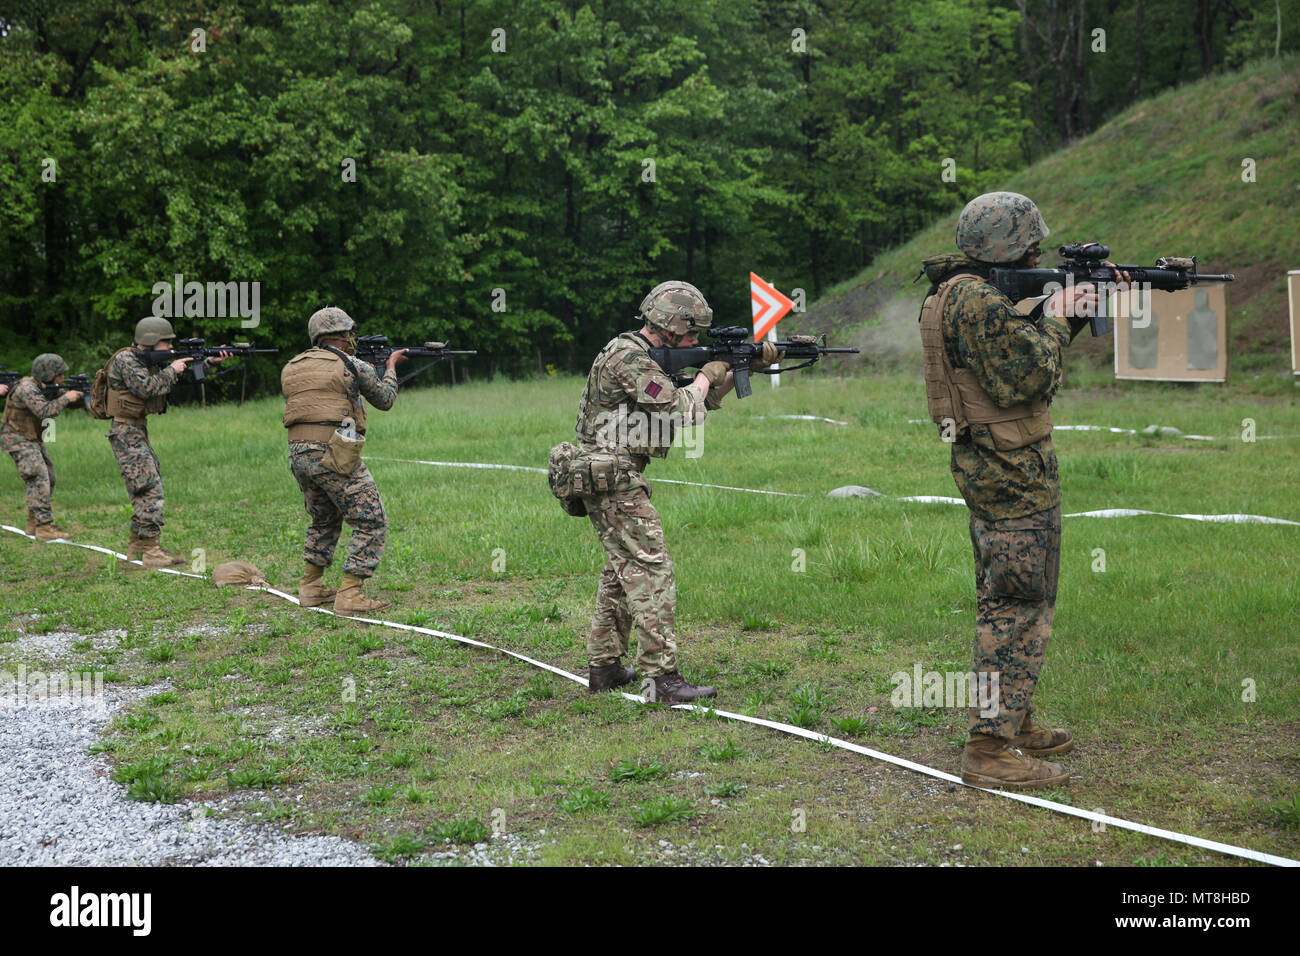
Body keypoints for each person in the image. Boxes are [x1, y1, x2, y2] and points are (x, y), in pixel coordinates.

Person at [918, 191, 1127, 789]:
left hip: (997, 466)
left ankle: (1015, 717)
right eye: (1031, 244)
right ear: (1009, 246)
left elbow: (1007, 355)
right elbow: (1026, 373)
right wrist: (1061, 314)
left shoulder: (958, 292)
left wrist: (1067, 310)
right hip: (1009, 473)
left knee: (1011, 592)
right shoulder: (977, 300)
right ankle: (990, 749)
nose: (1038, 251)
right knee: (1016, 602)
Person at [573, 280, 778, 704]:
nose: (695, 340)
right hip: (612, 477)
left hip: (617, 474)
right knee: (651, 569)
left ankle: (606, 667)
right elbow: (677, 408)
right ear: (669, 326)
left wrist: (741, 368)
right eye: (691, 333)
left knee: (622, 571)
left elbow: (694, 409)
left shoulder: (643, 356)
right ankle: (661, 677)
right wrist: (706, 374)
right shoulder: (629, 358)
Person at [281, 306, 406, 616]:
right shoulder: (353, 363)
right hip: (333, 449)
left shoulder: (293, 366)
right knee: (370, 518)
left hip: (298, 452)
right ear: (342, 336)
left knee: (323, 518)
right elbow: (385, 400)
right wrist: (390, 367)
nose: (354, 339)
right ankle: (350, 592)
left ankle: (311, 586)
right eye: (350, 334)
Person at [106, 317, 230, 568]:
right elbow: (147, 388)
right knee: (149, 487)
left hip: (136, 430)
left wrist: (206, 363)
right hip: (126, 432)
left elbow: (179, 380)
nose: (170, 348)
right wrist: (172, 369)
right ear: (150, 342)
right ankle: (151, 552)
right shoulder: (126, 360)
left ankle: (138, 548)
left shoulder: (146, 360)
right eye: (166, 343)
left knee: (146, 484)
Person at [1, 353, 84, 540]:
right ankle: (44, 527)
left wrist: (79, 397)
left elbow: (65, 401)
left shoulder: (46, 387)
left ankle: (34, 521)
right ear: (48, 374)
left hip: (31, 438)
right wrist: (67, 398)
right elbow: (45, 411)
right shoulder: (26, 389)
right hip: (16, 438)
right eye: (59, 375)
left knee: (49, 475)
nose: (62, 379)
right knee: (38, 476)